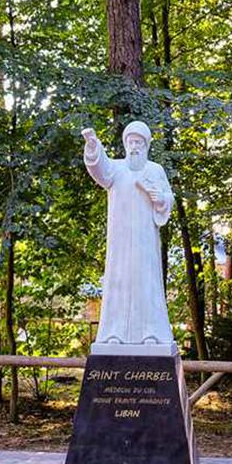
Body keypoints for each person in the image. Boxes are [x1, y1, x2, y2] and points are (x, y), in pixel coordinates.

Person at [82, 121, 176, 355]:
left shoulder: (155, 170)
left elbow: (167, 199)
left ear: (146, 146)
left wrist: (160, 198)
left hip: (145, 243)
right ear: (125, 144)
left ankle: (151, 334)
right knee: (118, 284)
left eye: (139, 142)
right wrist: (94, 147)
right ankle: (114, 333)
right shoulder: (116, 168)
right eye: (130, 142)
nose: (134, 147)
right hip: (120, 243)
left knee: (147, 286)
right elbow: (99, 170)